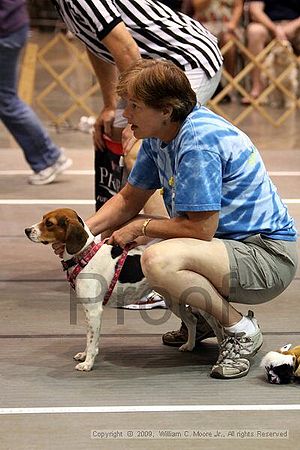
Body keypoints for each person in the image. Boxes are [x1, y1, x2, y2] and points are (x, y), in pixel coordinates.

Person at [70, 58, 297, 379]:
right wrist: (79, 237)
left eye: (134, 106)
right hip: (233, 247)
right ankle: (204, 316)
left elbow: (200, 229)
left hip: (268, 259)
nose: (125, 114)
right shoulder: (160, 137)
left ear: (165, 109)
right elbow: (127, 199)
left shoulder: (198, 143)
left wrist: (141, 226)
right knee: (161, 245)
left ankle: (241, 331)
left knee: (158, 258)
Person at [0, 0, 72, 185]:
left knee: (5, 99)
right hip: (12, 25)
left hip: (5, 29)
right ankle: (48, 157)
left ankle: (49, 157)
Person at [242, 0, 300, 104]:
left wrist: (292, 26)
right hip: (268, 25)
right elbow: (255, 10)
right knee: (254, 31)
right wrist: (275, 29)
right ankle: (258, 88)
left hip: (296, 26)